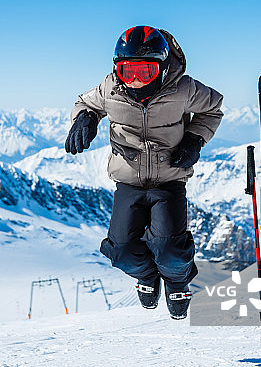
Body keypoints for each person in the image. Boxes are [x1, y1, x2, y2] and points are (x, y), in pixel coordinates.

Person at [65, 26, 223, 319]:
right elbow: (85, 102)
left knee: (170, 250)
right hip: (128, 182)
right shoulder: (110, 88)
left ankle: (177, 280)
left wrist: (194, 139)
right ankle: (148, 277)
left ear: (162, 68)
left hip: (169, 180)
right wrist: (84, 118)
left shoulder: (183, 88)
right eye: (128, 72)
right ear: (117, 69)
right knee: (121, 251)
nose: (135, 81)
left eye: (145, 72)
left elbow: (213, 108)